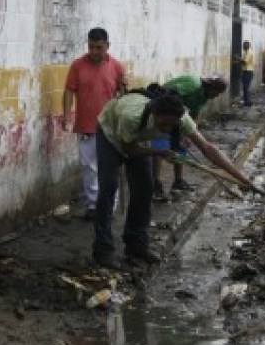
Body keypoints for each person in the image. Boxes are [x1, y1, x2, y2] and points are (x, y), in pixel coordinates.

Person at [92, 88, 252, 269]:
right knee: (108, 188)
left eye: (171, 126)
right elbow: (128, 148)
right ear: (154, 114)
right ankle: (103, 250)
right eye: (163, 124)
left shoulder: (181, 117)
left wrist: (241, 178)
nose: (167, 129)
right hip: (110, 135)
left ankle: (136, 243)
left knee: (145, 189)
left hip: (138, 139)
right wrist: (159, 152)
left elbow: (208, 149)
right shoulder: (133, 117)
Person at [63, 27, 126, 221]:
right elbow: (69, 91)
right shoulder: (77, 65)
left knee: (109, 168)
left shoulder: (117, 67)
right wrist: (66, 115)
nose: (94, 51)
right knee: (88, 167)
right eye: (91, 47)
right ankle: (92, 206)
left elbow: (123, 95)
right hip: (86, 124)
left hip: (110, 127)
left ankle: (109, 207)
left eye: (99, 47)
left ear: (107, 46)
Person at [150, 75, 228, 201]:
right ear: (211, 87)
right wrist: (169, 122)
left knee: (181, 147)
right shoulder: (193, 84)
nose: (216, 96)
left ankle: (178, 181)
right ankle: (156, 185)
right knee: (160, 146)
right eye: (217, 92)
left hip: (178, 116)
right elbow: (169, 94)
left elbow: (194, 113)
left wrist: (187, 133)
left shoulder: (203, 97)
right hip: (164, 111)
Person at [235, 40, 254, 106]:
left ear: (247, 46)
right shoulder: (245, 52)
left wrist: (238, 58)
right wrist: (237, 61)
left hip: (248, 72)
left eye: (244, 45)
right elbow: (243, 62)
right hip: (246, 71)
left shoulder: (249, 52)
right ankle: (247, 101)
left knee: (246, 87)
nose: (243, 46)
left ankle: (247, 102)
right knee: (245, 87)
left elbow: (245, 62)